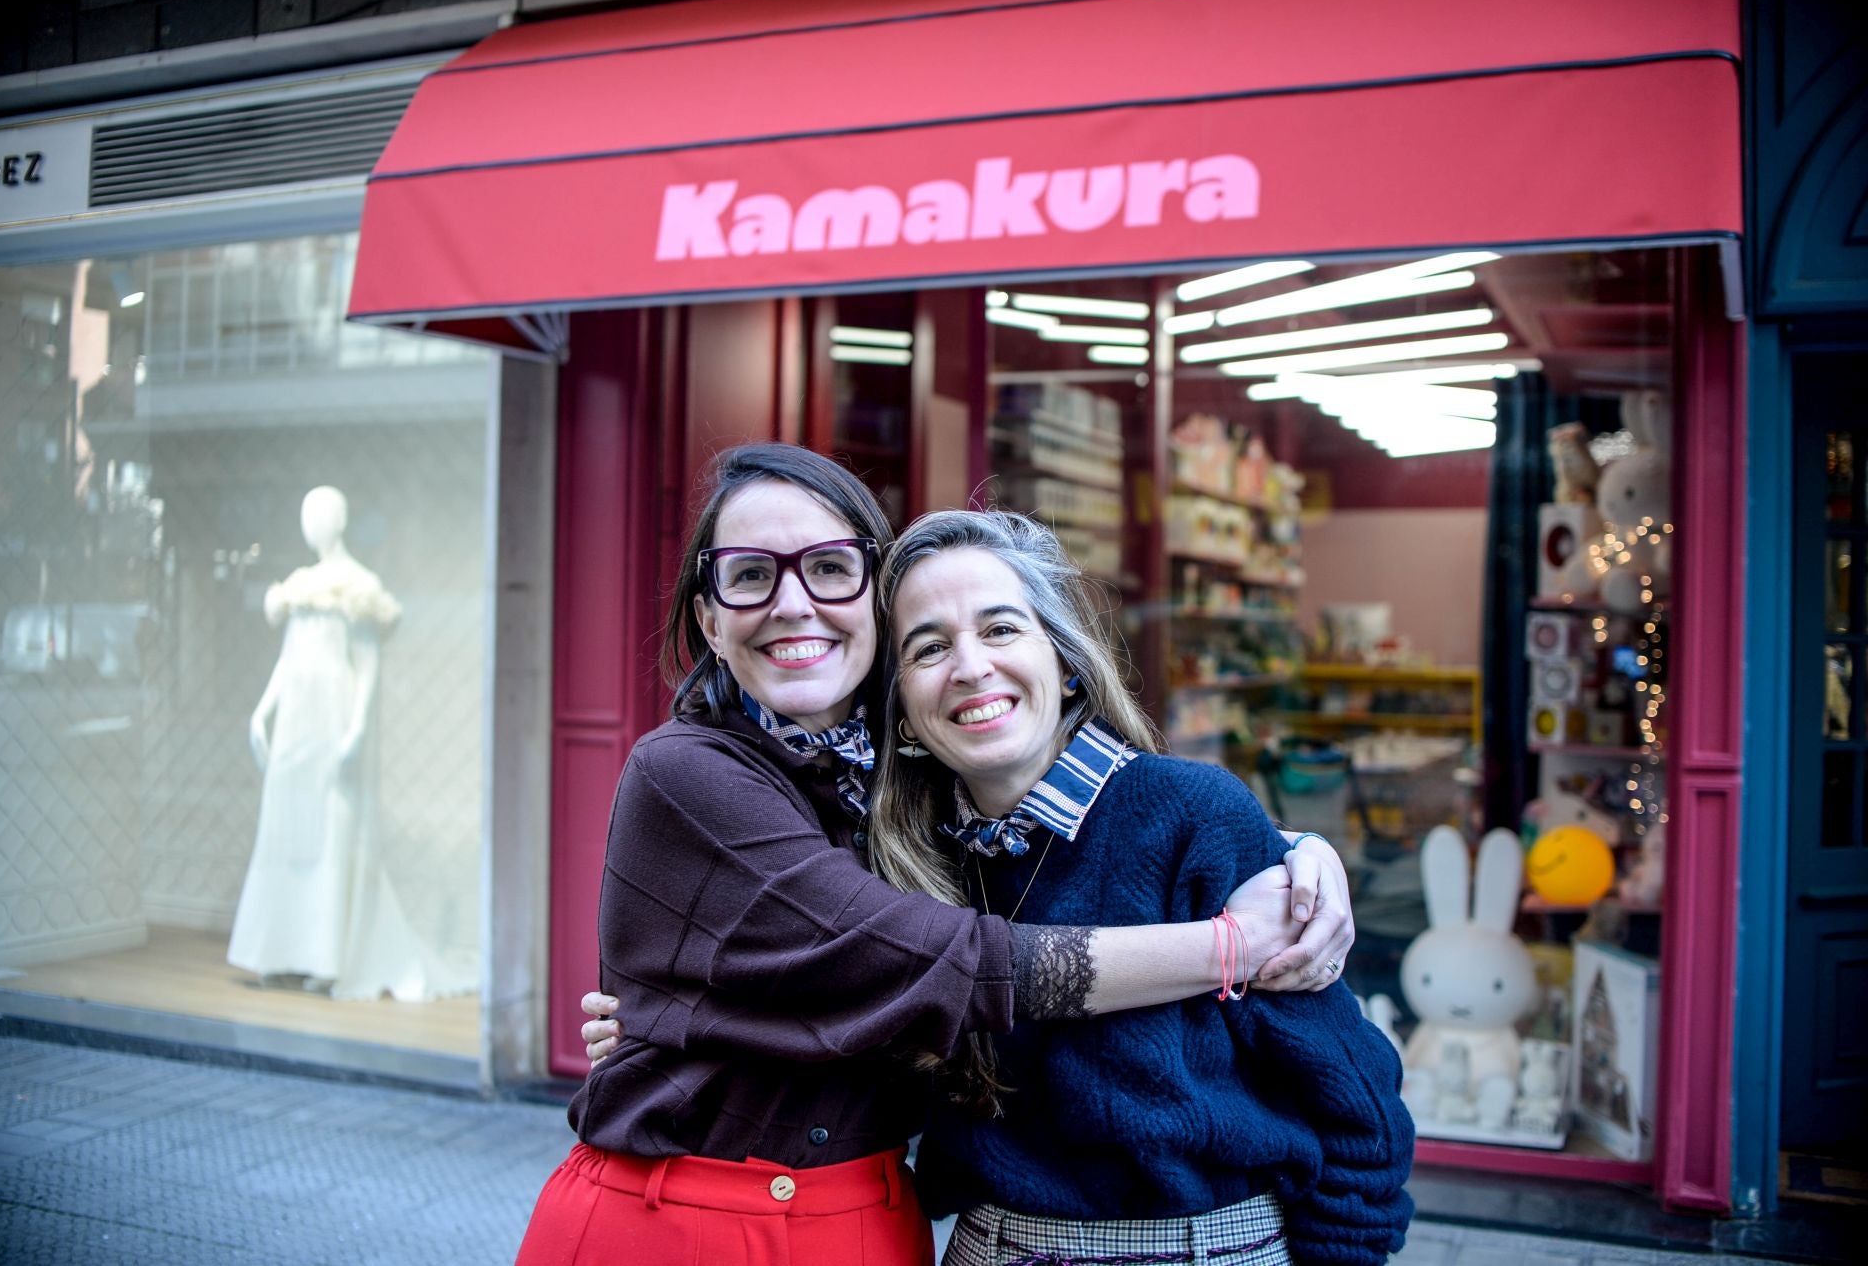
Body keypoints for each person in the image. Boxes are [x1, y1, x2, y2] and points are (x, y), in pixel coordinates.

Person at [520, 444, 1356, 1266]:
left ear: (870, 610)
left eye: (829, 568)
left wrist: (1290, 854)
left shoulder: (910, 802)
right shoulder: (686, 771)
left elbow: (1100, 832)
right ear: (710, 619)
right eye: (750, 576)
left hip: (870, 1217)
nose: (792, 604)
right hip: (682, 1218)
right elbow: (941, 964)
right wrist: (1233, 946)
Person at [869, 509, 1413, 1266]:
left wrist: (1343, 1256)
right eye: (929, 648)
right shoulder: (910, 861)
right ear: (901, 711)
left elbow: (1354, 1093)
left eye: (1000, 629)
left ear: (1065, 662)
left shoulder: (1192, 815)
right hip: (992, 1245)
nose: (970, 667)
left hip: (1202, 1249)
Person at [229, 485, 469, 1002]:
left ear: (338, 520)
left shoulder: (359, 587)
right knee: (286, 827)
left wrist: (357, 726)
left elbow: (367, 664)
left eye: (319, 514)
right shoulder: (299, 586)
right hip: (295, 718)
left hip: (332, 717)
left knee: (333, 825)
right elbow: (289, 658)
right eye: (306, 515)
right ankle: (279, 951)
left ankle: (328, 956)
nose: (310, 524)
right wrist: (262, 710)